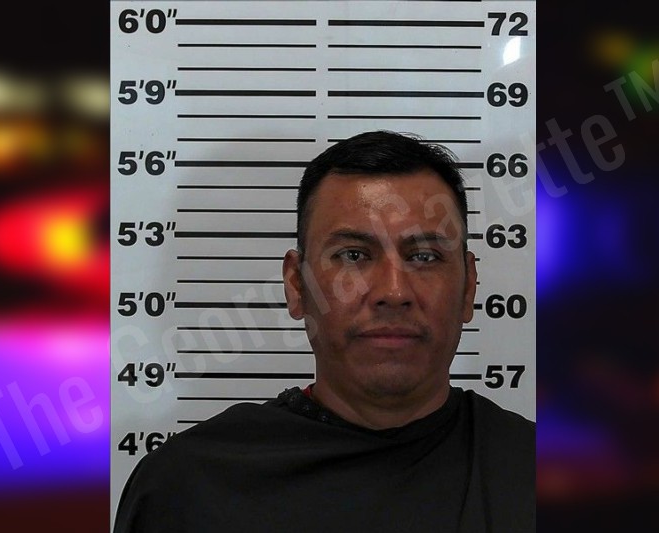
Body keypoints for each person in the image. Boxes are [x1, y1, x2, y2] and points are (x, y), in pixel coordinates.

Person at [112, 131, 535, 533]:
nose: (393, 292)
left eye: (424, 256)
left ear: (468, 288)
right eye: (353, 255)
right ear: (297, 285)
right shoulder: (186, 488)